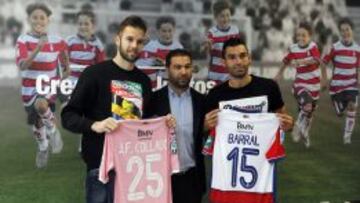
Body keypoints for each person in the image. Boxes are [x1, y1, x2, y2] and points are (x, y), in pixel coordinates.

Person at [61, 16, 153, 203]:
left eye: (139, 41)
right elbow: (68, 116)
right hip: (100, 168)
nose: (134, 45)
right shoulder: (94, 74)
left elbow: (146, 123)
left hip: (131, 169)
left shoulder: (143, 81)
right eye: (129, 39)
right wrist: (95, 125)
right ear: (118, 39)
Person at [203, 37, 293, 203]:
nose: (239, 61)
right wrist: (205, 125)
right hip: (227, 181)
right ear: (224, 62)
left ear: (249, 57)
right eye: (232, 57)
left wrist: (289, 124)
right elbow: (205, 134)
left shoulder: (268, 88)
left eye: (243, 55)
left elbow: (284, 118)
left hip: (262, 179)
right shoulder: (215, 95)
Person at [15, 3, 69, 168]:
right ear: (29, 20)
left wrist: (63, 74)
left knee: (41, 105)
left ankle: (53, 131)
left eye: (42, 17)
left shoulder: (58, 41)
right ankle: (43, 147)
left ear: (48, 20)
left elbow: (65, 63)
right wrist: (38, 47)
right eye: (35, 17)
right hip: (29, 88)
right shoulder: (23, 40)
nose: (38, 20)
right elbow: (23, 65)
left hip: (48, 86)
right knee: (37, 122)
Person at [149, 49, 206, 203]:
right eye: (177, 67)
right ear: (167, 70)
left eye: (187, 67)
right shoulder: (153, 101)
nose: (183, 71)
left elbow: (206, 138)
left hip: (191, 178)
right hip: (159, 177)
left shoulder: (202, 101)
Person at [274, 22, 327, 148]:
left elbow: (315, 60)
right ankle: (297, 126)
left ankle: (305, 132)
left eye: (304, 35)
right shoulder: (293, 48)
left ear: (310, 36)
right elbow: (286, 61)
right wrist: (279, 74)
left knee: (309, 114)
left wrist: (302, 61)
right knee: (307, 106)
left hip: (314, 86)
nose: (300, 38)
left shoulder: (313, 47)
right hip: (300, 84)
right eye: (298, 35)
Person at [65, 10, 106, 152]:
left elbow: (100, 66)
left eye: (86, 23)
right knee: (70, 110)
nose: (83, 26)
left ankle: (83, 143)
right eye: (80, 23)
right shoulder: (70, 41)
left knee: (87, 113)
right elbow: (62, 60)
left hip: (87, 83)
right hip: (71, 82)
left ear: (93, 25)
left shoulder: (98, 45)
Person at [322, 17, 360, 144]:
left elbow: (358, 67)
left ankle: (347, 137)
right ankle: (338, 108)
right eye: (342, 30)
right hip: (337, 87)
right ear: (340, 32)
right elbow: (324, 63)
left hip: (351, 85)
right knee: (340, 113)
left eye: (347, 29)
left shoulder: (357, 49)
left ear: (352, 30)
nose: (345, 33)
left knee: (352, 106)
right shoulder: (335, 47)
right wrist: (324, 80)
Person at [136, 16, 183, 88]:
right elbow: (139, 68)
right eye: (164, 31)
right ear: (158, 31)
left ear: (174, 30)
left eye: (170, 31)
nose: (167, 34)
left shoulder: (179, 48)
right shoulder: (149, 47)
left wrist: (164, 64)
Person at [203, 0, 241, 84]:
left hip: (230, 75)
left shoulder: (235, 31)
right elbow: (208, 54)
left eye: (228, 15)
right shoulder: (212, 33)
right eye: (222, 16)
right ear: (216, 17)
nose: (226, 19)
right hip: (215, 76)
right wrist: (207, 47)